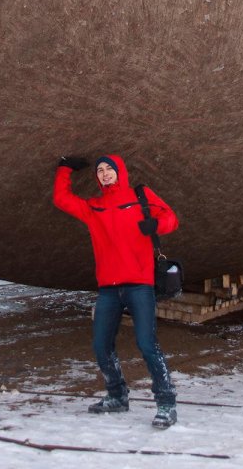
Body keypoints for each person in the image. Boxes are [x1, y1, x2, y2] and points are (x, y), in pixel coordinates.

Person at [53, 154, 180, 429]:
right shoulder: (94, 207)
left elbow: (171, 218)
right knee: (101, 345)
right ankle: (117, 395)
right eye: (100, 170)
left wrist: (156, 225)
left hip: (139, 285)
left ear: (120, 171)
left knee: (147, 344)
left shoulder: (140, 195)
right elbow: (62, 199)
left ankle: (166, 403)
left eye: (109, 168)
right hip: (108, 289)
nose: (105, 173)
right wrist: (64, 170)